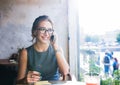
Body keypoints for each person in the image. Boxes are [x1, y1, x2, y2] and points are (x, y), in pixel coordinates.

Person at [16, 15, 70, 83]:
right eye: (42, 29)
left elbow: (65, 72)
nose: (46, 33)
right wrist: (25, 80)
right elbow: (18, 82)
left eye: (49, 30)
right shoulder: (25, 52)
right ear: (35, 31)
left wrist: (55, 46)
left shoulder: (58, 49)